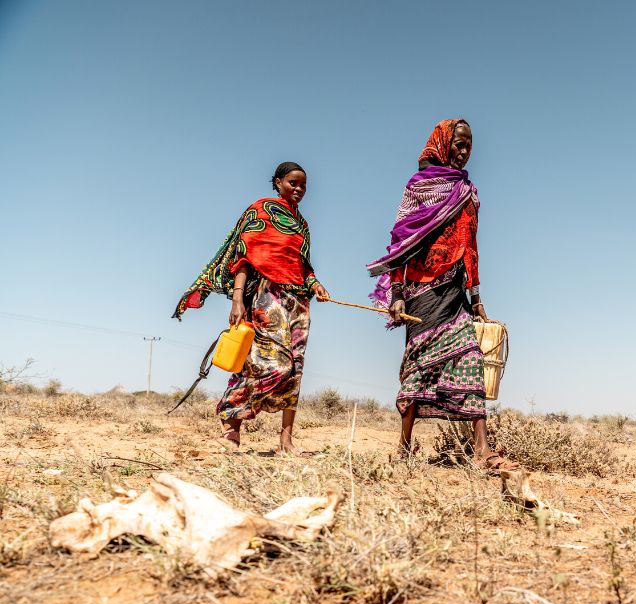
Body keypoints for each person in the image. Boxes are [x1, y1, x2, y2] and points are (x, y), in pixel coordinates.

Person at [366, 119, 516, 470]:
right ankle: (403, 448)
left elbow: (472, 248)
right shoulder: (419, 187)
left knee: (470, 358)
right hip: (421, 290)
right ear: (443, 143)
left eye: (469, 145)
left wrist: (476, 298)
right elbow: (400, 242)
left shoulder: (469, 192)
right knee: (418, 367)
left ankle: (481, 450)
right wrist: (397, 293)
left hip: (454, 290)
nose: (464, 151)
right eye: (459, 144)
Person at [173, 161, 330, 454]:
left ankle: (286, 441)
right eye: (293, 183)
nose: (298, 189)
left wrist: (315, 284)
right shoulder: (260, 211)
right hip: (266, 296)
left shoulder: (302, 224)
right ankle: (231, 413)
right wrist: (236, 299)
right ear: (278, 181)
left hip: (298, 302)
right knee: (270, 364)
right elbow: (243, 258)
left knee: (294, 368)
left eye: (303, 185)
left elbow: (303, 265)